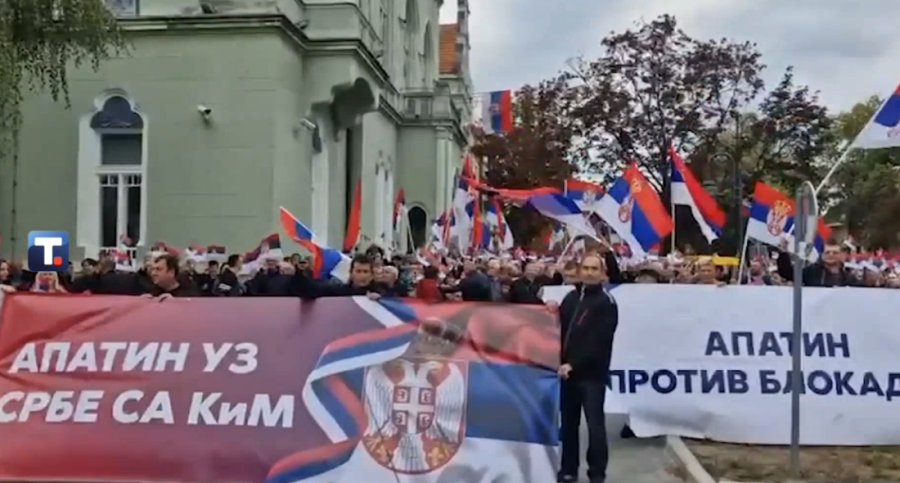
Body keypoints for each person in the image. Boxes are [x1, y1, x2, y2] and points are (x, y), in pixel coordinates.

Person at [552, 253, 618, 483]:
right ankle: (569, 470)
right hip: (567, 375)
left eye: (594, 269)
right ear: (580, 271)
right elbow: (558, 330)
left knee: (595, 427)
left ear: (602, 273)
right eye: (586, 268)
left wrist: (574, 364)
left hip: (591, 376)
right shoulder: (570, 298)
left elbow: (599, 342)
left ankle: (597, 473)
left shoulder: (606, 302)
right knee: (569, 426)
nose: (589, 273)